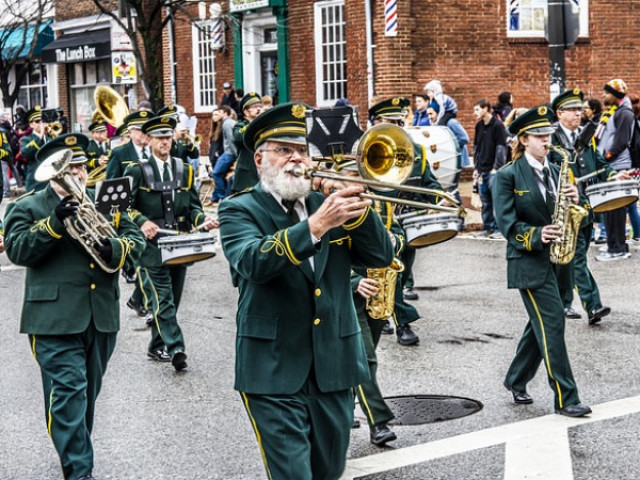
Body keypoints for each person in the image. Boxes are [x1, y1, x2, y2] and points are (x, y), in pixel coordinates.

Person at [218, 102, 394, 480]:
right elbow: (252, 262)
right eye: (284, 150)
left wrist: (359, 210)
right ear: (261, 157)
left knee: (328, 471)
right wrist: (314, 227)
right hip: (273, 368)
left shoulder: (327, 202)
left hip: (335, 363)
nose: (296, 159)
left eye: (302, 150)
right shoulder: (240, 209)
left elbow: (381, 254)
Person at [3, 132, 145, 480]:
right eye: (70, 168)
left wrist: (120, 249)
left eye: (80, 166)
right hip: (52, 318)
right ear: (51, 172)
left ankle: (75, 451)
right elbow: (18, 250)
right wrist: (54, 224)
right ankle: (80, 470)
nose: (78, 174)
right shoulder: (27, 206)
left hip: (100, 314)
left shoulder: (106, 200)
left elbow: (135, 237)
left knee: (86, 396)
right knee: (69, 393)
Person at [493, 105, 592, 418]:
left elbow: (573, 210)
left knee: (541, 322)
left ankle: (516, 378)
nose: (546, 141)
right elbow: (508, 226)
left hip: (559, 260)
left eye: (548, 134)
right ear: (523, 139)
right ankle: (566, 397)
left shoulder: (557, 167)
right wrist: (537, 235)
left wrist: (577, 200)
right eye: (539, 136)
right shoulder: (507, 176)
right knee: (553, 322)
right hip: (529, 262)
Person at [125, 116, 217, 370]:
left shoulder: (184, 169)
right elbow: (124, 209)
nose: (165, 141)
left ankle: (156, 346)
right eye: (159, 137)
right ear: (149, 140)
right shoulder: (137, 170)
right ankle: (176, 348)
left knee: (172, 301)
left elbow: (193, 208)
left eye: (168, 137)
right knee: (162, 298)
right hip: (151, 247)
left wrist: (203, 220)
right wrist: (142, 222)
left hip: (180, 244)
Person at [368, 96, 444, 346]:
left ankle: (384, 313)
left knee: (399, 273)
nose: (398, 125)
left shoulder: (416, 149)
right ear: (377, 121)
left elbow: (428, 183)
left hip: (409, 221)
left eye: (400, 120)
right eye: (391, 121)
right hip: (379, 219)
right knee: (393, 272)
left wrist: (439, 199)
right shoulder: (367, 148)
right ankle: (403, 324)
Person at [549, 89, 618, 325]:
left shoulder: (585, 135)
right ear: (560, 113)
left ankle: (562, 302)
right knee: (576, 257)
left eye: (580, 110)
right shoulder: (552, 139)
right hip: (567, 207)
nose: (579, 114)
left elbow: (598, 161)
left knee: (570, 258)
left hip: (587, 206)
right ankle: (592, 305)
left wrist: (613, 175)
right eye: (573, 110)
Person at [596, 79, 634, 261]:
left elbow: (621, 141)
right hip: (613, 166)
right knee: (611, 210)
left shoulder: (624, 113)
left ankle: (617, 248)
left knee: (616, 210)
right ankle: (615, 244)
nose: (603, 95)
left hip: (617, 167)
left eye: (606, 92)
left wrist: (605, 158)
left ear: (615, 95)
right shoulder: (616, 111)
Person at [473, 98, 508, 238]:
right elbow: (476, 147)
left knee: (497, 201)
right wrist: (476, 167)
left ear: (486, 109)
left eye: (477, 109)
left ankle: (499, 229)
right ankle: (487, 227)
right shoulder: (479, 126)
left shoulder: (497, 125)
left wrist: (497, 167)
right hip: (482, 169)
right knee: (485, 201)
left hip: (493, 170)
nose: (474, 113)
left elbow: (501, 148)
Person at [205, 105, 237, 205]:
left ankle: (222, 197)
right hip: (226, 153)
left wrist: (236, 155)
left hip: (228, 153)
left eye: (220, 112)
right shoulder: (227, 123)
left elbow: (231, 140)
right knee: (219, 174)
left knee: (216, 174)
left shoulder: (226, 124)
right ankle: (220, 197)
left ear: (225, 113)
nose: (218, 114)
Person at [231, 92, 263, 193]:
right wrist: (254, 123)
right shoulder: (240, 126)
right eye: (254, 107)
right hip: (247, 174)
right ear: (246, 111)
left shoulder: (264, 125)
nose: (258, 109)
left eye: (259, 106)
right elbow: (239, 137)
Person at [20, 106, 53, 192]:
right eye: (37, 122)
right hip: (36, 180)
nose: (41, 124)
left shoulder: (49, 138)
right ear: (31, 125)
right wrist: (41, 136)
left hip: (51, 178)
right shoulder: (26, 139)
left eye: (42, 121)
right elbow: (24, 153)